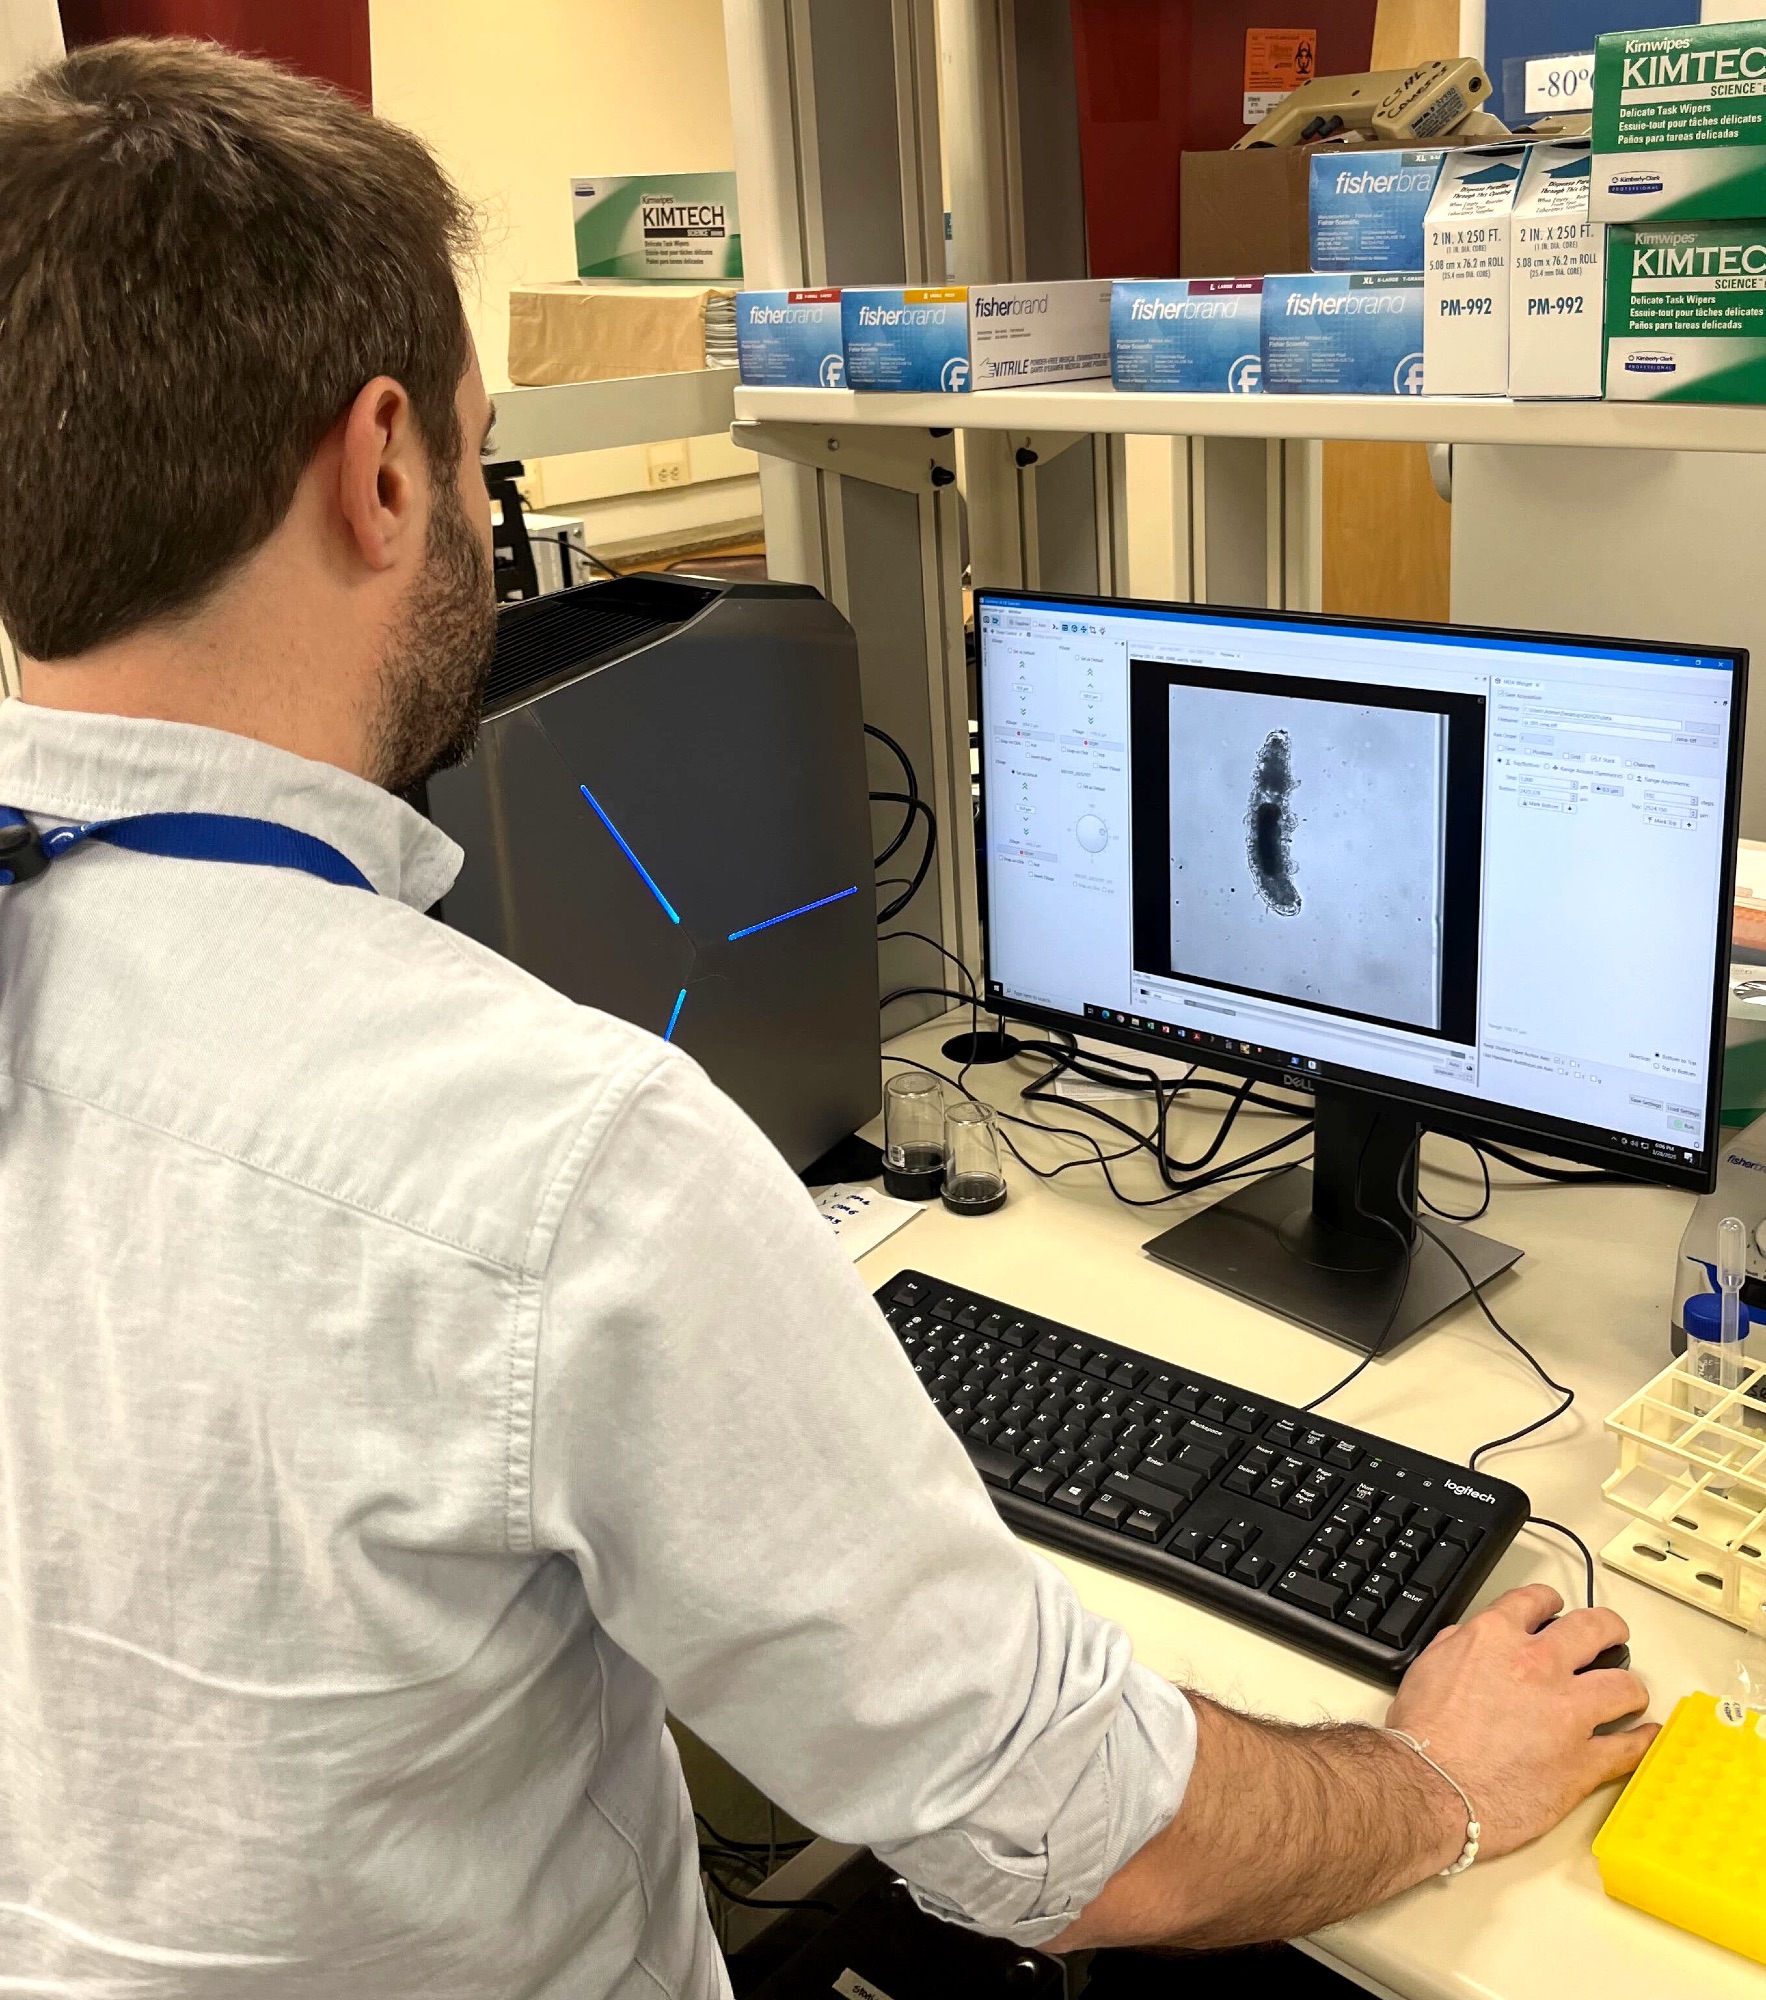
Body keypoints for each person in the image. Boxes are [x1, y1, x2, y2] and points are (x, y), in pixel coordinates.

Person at [0, 38, 1652, 2000]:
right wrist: (1435, 1780)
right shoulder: (549, 1156)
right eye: (471, 449)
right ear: (379, 469)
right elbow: (1075, 1832)